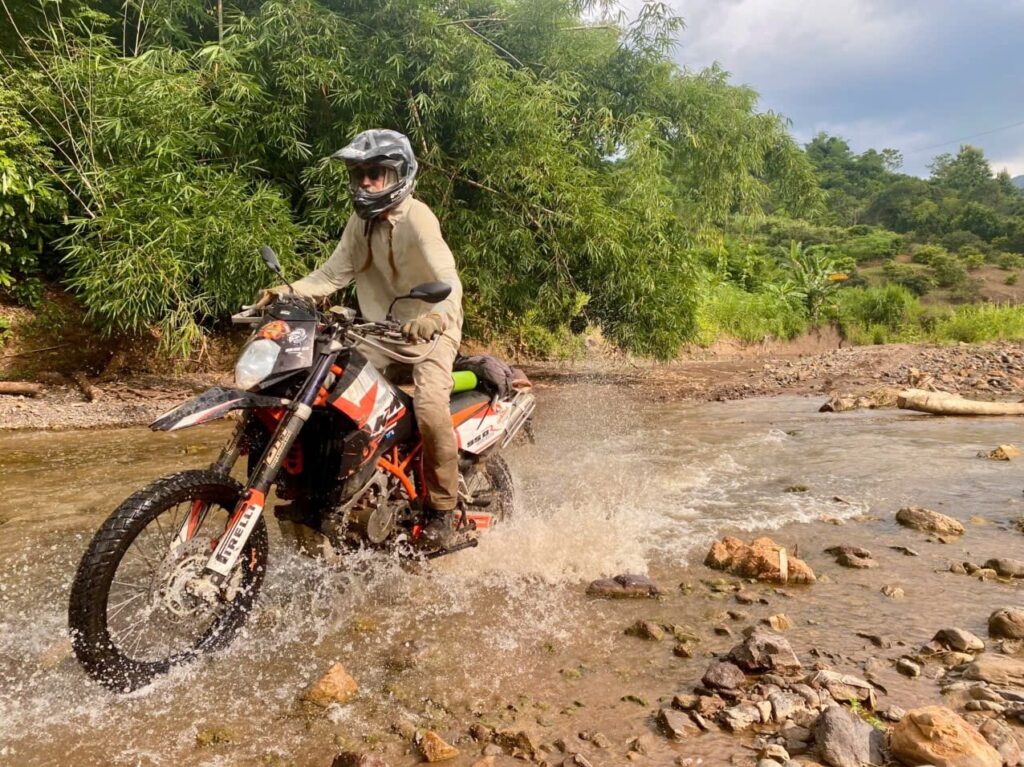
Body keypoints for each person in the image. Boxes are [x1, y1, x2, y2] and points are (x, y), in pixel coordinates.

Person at [255, 129, 464, 546]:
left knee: (429, 407)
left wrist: (436, 315)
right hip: (376, 332)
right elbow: (331, 276)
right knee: (326, 394)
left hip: (428, 332)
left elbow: (448, 278)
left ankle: (442, 508)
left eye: (376, 174)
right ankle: (334, 491)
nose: (366, 182)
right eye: (359, 174)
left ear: (399, 175)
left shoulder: (418, 217)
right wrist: (285, 292)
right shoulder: (359, 223)